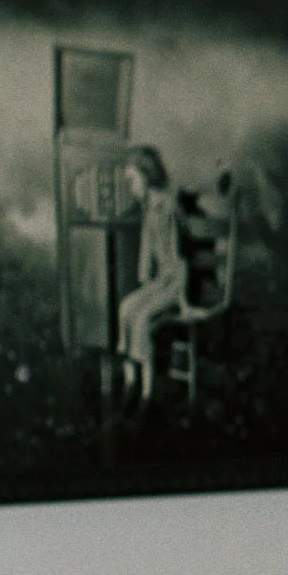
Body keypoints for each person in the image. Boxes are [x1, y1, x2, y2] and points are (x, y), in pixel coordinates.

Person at [116, 146, 183, 403]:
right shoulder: (149, 205)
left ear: (147, 175)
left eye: (132, 180)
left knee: (143, 318)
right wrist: (146, 283)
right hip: (160, 282)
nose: (131, 186)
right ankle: (130, 380)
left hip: (176, 283)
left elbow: (180, 255)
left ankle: (147, 391)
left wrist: (176, 291)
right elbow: (147, 248)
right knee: (126, 308)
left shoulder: (167, 205)